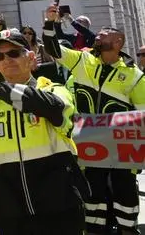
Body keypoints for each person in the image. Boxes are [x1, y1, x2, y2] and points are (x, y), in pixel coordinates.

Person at [0, 31, 85, 234]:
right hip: (11, 215)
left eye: (13, 53)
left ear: (30, 57)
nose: (7, 60)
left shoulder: (54, 90)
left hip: (60, 210)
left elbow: (53, 108)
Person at [43, 22, 145, 234]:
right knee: (93, 194)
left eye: (104, 34)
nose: (97, 37)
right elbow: (53, 49)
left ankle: (128, 229)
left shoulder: (136, 76)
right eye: (97, 34)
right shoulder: (82, 60)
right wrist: (49, 23)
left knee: (125, 192)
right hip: (88, 145)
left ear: (118, 42)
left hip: (122, 149)